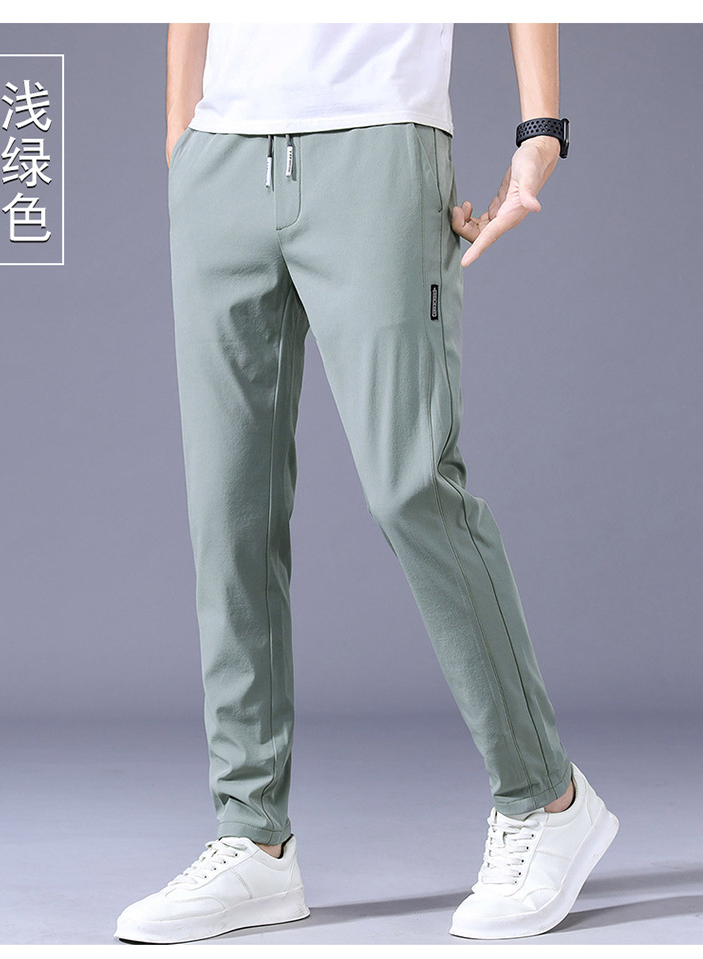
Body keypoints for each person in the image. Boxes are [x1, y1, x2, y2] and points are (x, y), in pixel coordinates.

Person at [115, 22, 618, 944]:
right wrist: (182, 133)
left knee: (411, 484)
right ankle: (253, 837)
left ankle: (547, 798)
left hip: (379, 143)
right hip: (221, 158)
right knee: (227, 510)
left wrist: (541, 127)